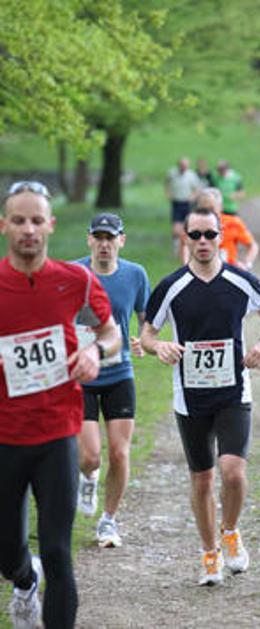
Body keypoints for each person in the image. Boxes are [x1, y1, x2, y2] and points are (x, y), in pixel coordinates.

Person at [0, 181, 120, 628]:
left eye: (36, 220)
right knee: (7, 552)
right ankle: (24, 579)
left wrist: (95, 352)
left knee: (57, 549)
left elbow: (111, 331)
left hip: (57, 433)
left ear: (50, 225)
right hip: (4, 436)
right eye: (19, 221)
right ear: (4, 226)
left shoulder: (76, 281)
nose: (28, 229)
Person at [141, 206, 260, 586]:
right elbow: (148, 334)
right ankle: (209, 554)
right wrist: (159, 346)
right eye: (195, 235)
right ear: (185, 238)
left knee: (233, 472)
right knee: (202, 480)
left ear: (221, 236)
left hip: (233, 391)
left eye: (210, 234)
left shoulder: (241, 281)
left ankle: (230, 531)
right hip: (191, 397)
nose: (203, 241)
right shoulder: (171, 287)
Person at [75, 212, 151, 549]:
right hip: (82, 376)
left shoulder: (135, 275)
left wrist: (143, 340)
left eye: (110, 238)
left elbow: (146, 319)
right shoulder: (73, 273)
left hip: (119, 374)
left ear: (121, 241)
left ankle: (108, 520)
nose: (104, 244)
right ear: (89, 239)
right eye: (99, 238)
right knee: (90, 456)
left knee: (120, 453)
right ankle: (89, 477)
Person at [180, 188, 259, 271]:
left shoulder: (233, 222)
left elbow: (253, 246)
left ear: (220, 207)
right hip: (201, 271)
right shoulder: (193, 224)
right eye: (204, 209)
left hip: (229, 271)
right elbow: (184, 244)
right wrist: (186, 266)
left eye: (211, 209)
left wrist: (247, 264)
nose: (208, 213)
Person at [165, 157, 201, 255]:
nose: (183, 167)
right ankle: (176, 247)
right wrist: (168, 194)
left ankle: (187, 247)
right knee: (176, 228)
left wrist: (193, 197)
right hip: (176, 202)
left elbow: (197, 188)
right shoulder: (172, 173)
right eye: (182, 165)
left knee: (187, 226)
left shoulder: (191, 175)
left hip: (187, 203)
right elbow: (167, 183)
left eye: (185, 165)